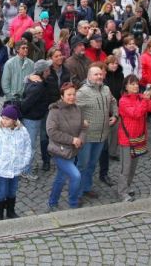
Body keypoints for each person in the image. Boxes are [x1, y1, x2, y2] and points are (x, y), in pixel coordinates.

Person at [76, 66, 118, 200]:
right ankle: (77, 192)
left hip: (102, 135)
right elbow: (72, 110)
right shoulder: (82, 92)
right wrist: (80, 122)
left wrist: (115, 115)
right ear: (89, 77)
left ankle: (86, 188)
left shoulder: (106, 89)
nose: (99, 77)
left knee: (92, 164)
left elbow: (113, 101)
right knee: (83, 165)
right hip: (87, 136)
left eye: (100, 74)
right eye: (96, 75)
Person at [117, 75, 151, 202]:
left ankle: (127, 186)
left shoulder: (141, 97)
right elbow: (136, 113)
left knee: (133, 166)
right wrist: (146, 101)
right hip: (127, 139)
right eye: (132, 84)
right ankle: (122, 192)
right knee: (126, 167)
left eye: (136, 84)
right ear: (126, 86)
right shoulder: (123, 101)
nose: (135, 86)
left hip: (139, 137)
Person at [46, 83, 88, 211]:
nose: (72, 97)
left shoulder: (77, 109)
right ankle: (73, 203)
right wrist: (72, 140)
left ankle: (52, 202)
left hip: (73, 151)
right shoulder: (55, 111)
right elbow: (51, 132)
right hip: (60, 151)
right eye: (69, 94)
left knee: (61, 177)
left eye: (74, 94)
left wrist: (80, 139)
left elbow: (83, 128)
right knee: (76, 176)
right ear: (62, 96)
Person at [0, 105, 32, 220]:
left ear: (14, 120)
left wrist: (24, 162)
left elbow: (27, 146)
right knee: (2, 192)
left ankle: (11, 211)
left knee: (12, 191)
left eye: (7, 119)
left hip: (16, 168)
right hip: (2, 169)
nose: (4, 121)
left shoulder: (23, 131)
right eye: (3, 118)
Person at [19, 59, 52, 180]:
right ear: (43, 71)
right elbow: (26, 103)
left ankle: (25, 167)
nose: (49, 71)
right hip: (32, 119)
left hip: (33, 118)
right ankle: (25, 171)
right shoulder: (38, 86)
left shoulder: (38, 82)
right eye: (47, 69)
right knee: (30, 146)